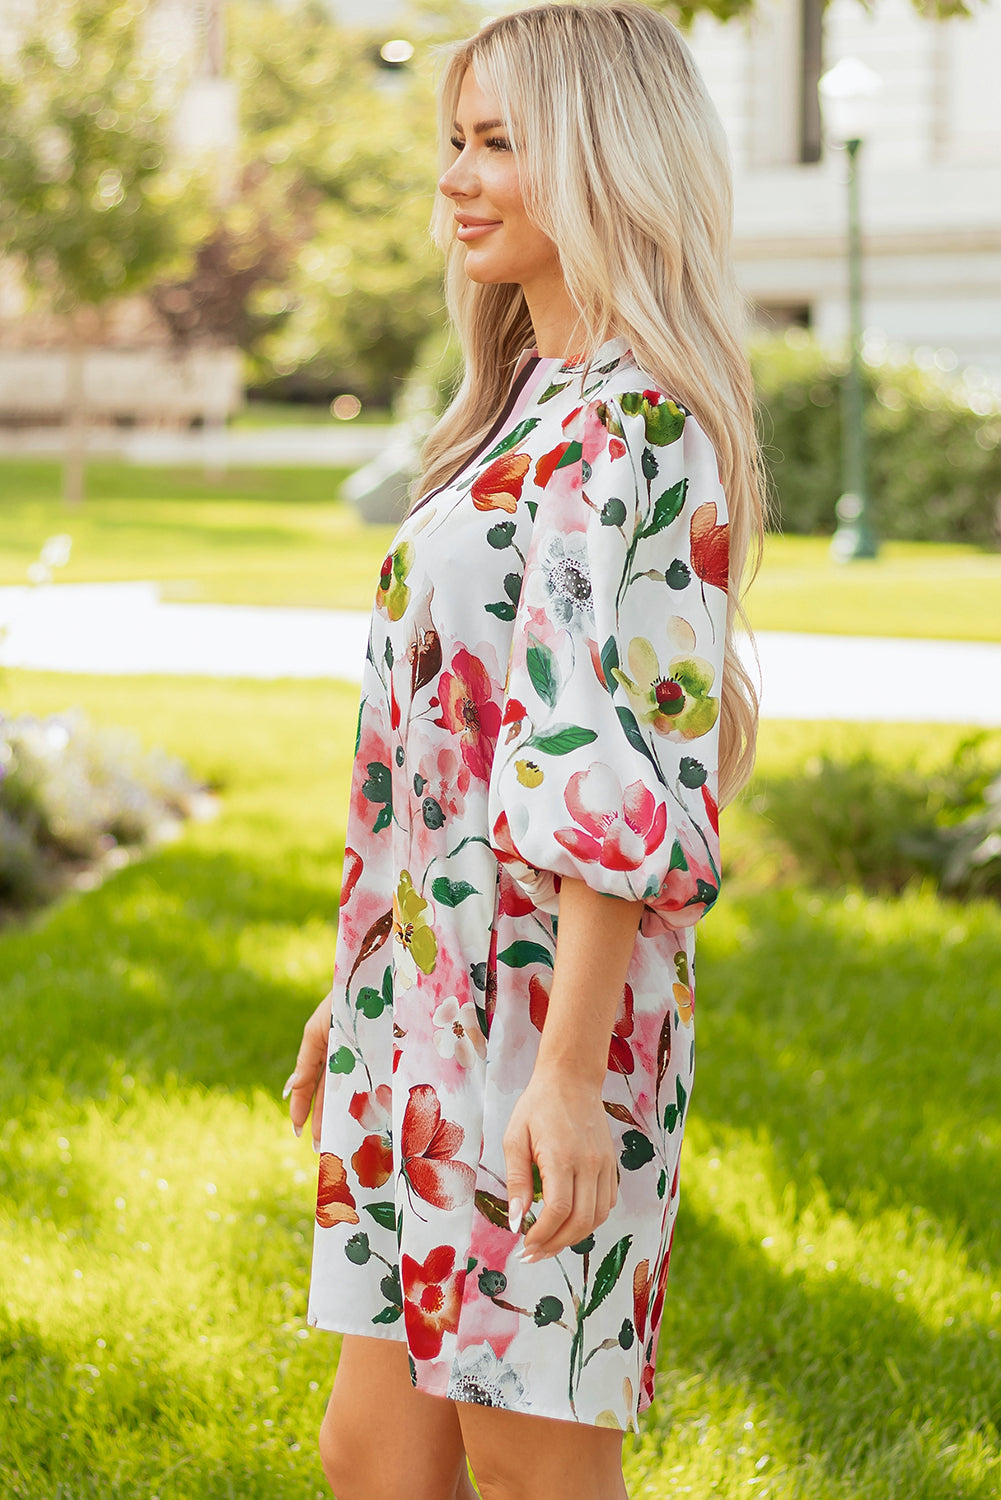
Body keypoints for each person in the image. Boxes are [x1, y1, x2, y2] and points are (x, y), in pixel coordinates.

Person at [285, 4, 764, 1496]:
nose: (459, 177)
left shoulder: (643, 424)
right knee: (373, 1459)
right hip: (419, 1006)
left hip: (544, 1017)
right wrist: (358, 980)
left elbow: (606, 767)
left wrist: (562, 1078)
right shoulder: (515, 413)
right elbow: (443, 749)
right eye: (455, 141)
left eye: (501, 144)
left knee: (527, 1461)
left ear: (603, 156)